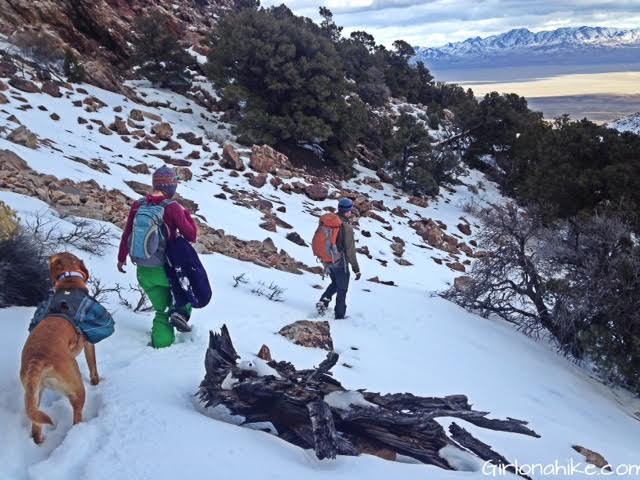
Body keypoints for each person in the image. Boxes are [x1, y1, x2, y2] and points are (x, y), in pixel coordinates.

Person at [117, 166, 197, 348]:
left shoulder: (138, 205)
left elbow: (127, 233)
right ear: (171, 188)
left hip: (144, 270)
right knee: (187, 294)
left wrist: (121, 258)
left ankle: (160, 346)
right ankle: (181, 313)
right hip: (166, 269)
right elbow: (191, 235)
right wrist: (186, 215)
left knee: (162, 311)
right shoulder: (173, 207)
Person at [317, 198, 361, 319]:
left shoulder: (328, 221)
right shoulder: (346, 227)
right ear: (347, 211)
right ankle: (340, 315)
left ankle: (324, 301)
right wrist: (356, 269)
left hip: (327, 260)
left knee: (335, 283)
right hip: (340, 262)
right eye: (350, 210)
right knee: (342, 288)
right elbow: (350, 251)